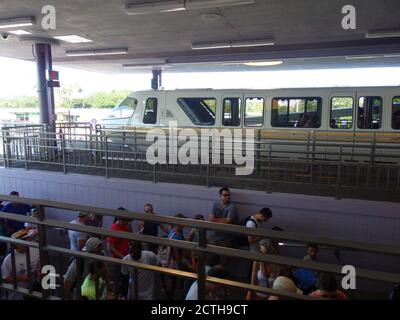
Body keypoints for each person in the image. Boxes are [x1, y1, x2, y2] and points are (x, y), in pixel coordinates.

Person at [1, 229, 40, 300]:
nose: (27, 242)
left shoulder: (36, 250)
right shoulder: (8, 260)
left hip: (35, 287)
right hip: (18, 292)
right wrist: (22, 278)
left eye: (28, 239)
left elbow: (40, 264)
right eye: (24, 240)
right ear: (16, 243)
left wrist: (40, 269)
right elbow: (4, 279)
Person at [208, 187, 238, 267]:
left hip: (226, 238)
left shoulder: (232, 206)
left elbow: (229, 221)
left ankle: (221, 278)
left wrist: (215, 219)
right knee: (210, 259)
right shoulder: (215, 204)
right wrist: (222, 220)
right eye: (225, 195)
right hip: (214, 236)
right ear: (220, 196)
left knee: (223, 262)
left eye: (228, 195)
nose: (227, 197)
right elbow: (210, 219)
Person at [107, 213, 131, 298]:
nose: (127, 223)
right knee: (118, 280)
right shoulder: (114, 229)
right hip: (118, 260)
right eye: (125, 222)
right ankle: (117, 295)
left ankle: (124, 295)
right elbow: (110, 248)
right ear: (120, 220)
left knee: (125, 279)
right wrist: (123, 257)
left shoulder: (125, 226)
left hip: (125, 259)